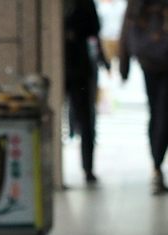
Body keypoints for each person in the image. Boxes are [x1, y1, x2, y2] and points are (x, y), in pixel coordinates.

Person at [119, 0, 168, 193]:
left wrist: (124, 64)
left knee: (156, 112)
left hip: (149, 60)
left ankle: (156, 163)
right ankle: (158, 162)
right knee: (165, 112)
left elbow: (126, 26)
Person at [66, 0, 104, 184]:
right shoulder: (84, 4)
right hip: (78, 66)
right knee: (86, 119)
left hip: (77, 66)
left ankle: (88, 167)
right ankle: (88, 168)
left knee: (85, 119)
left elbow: (94, 30)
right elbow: (95, 29)